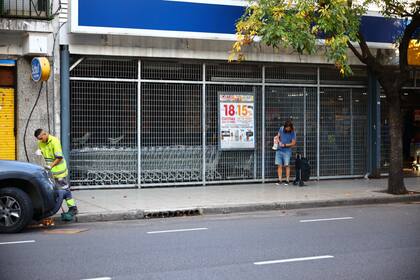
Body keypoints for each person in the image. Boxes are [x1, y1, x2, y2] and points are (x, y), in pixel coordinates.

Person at [34, 129, 78, 216]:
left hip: (59, 171)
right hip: (51, 171)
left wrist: (50, 166)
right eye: (38, 139)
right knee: (55, 190)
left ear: (45, 134)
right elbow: (46, 155)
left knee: (64, 189)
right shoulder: (41, 143)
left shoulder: (55, 141)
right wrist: (40, 152)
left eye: (40, 138)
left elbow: (59, 157)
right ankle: (54, 208)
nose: (39, 140)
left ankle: (73, 208)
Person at [275, 120, 296, 185]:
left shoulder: (293, 132)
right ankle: (280, 180)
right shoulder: (281, 128)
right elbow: (278, 136)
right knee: (279, 165)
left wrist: (285, 145)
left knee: (287, 165)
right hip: (279, 149)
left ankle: (287, 180)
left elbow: (293, 143)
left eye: (288, 128)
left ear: (290, 127)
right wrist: (278, 141)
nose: (287, 129)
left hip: (287, 151)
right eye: (286, 128)